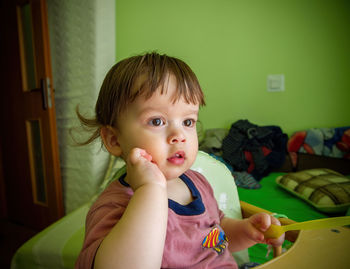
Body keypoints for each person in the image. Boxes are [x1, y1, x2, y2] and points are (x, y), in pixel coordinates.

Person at [75, 52, 284, 269]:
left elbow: (215, 238)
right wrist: (150, 189)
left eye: (188, 121)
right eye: (157, 121)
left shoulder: (198, 184)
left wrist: (247, 231)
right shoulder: (115, 206)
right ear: (114, 139)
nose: (179, 134)